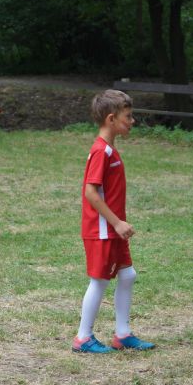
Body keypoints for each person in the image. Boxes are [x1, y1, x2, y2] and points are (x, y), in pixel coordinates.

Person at [72, 90, 155, 354]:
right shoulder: (101, 151)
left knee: (127, 275)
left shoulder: (110, 150)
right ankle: (83, 338)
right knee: (100, 281)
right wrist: (117, 223)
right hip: (103, 230)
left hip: (113, 230)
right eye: (128, 116)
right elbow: (90, 193)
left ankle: (122, 334)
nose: (132, 121)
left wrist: (118, 225)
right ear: (111, 119)